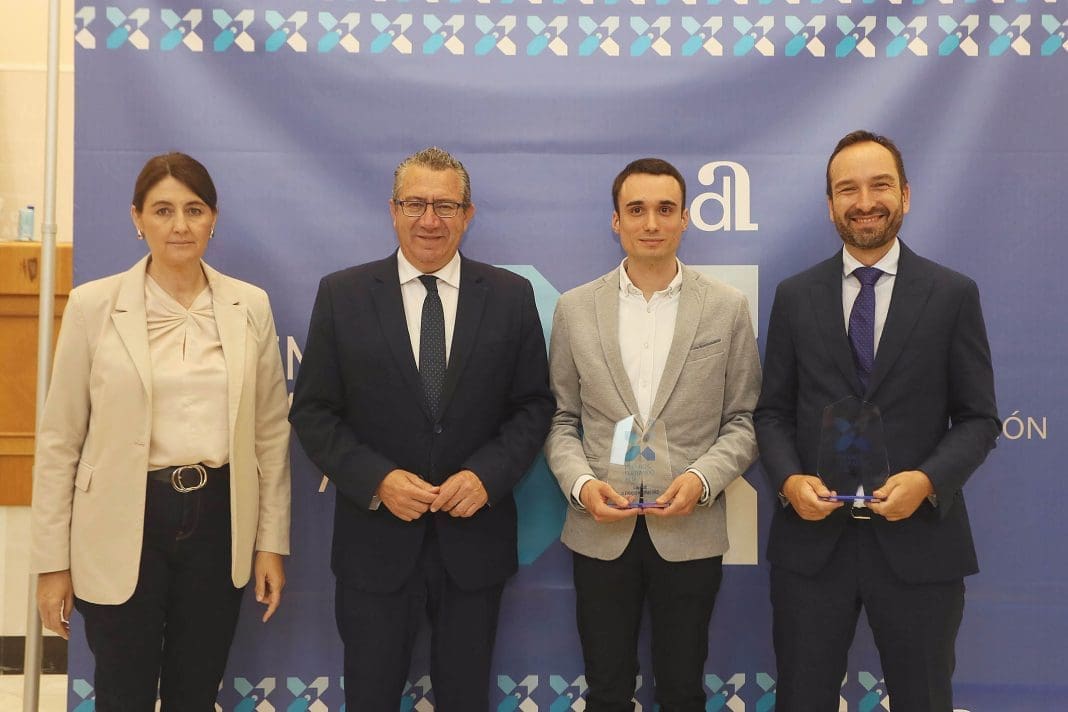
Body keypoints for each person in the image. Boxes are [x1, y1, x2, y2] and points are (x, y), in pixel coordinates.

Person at [288, 146, 554, 711]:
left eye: (445, 206)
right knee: (370, 698)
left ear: (468, 214)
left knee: (465, 699)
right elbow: (313, 412)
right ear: (393, 210)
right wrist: (377, 480)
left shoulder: (510, 296)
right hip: (374, 547)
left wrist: (486, 476)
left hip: (473, 545)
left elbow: (533, 406)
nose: (430, 220)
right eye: (415, 204)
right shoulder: (343, 295)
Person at [31, 152, 292, 710]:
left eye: (194, 210)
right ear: (137, 218)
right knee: (122, 692)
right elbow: (59, 442)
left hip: (217, 519)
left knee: (194, 691)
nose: (180, 225)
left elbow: (271, 435)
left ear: (213, 219)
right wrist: (52, 563)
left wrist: (271, 542)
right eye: (163, 210)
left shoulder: (250, 305)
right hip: (121, 521)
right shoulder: (93, 306)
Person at [754, 130, 1000, 711]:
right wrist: (789, 481)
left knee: (924, 699)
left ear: (905, 195)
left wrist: (928, 481)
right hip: (813, 549)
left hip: (921, 545)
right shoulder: (794, 295)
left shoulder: (952, 294)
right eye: (848, 189)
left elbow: (978, 418)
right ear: (830, 205)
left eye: (879, 185)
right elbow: (771, 412)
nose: (865, 202)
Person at [544, 158, 761, 712]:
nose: (651, 223)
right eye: (636, 210)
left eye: (665, 209)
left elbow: (743, 420)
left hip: (689, 528)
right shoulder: (574, 309)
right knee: (607, 691)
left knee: (683, 690)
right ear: (615, 221)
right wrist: (582, 486)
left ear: (686, 218)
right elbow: (562, 420)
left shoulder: (727, 308)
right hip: (600, 527)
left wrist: (702, 479)